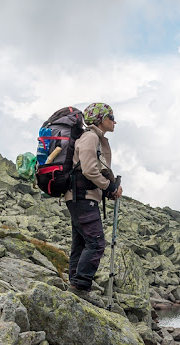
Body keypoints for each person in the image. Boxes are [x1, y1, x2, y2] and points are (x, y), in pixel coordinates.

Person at [65, 102, 122, 304]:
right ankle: (80, 286)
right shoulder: (90, 137)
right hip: (83, 197)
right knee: (96, 242)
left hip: (81, 196)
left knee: (81, 243)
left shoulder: (93, 138)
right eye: (111, 117)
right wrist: (108, 186)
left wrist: (108, 188)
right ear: (100, 119)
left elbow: (93, 168)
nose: (114, 121)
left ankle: (75, 285)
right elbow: (89, 170)